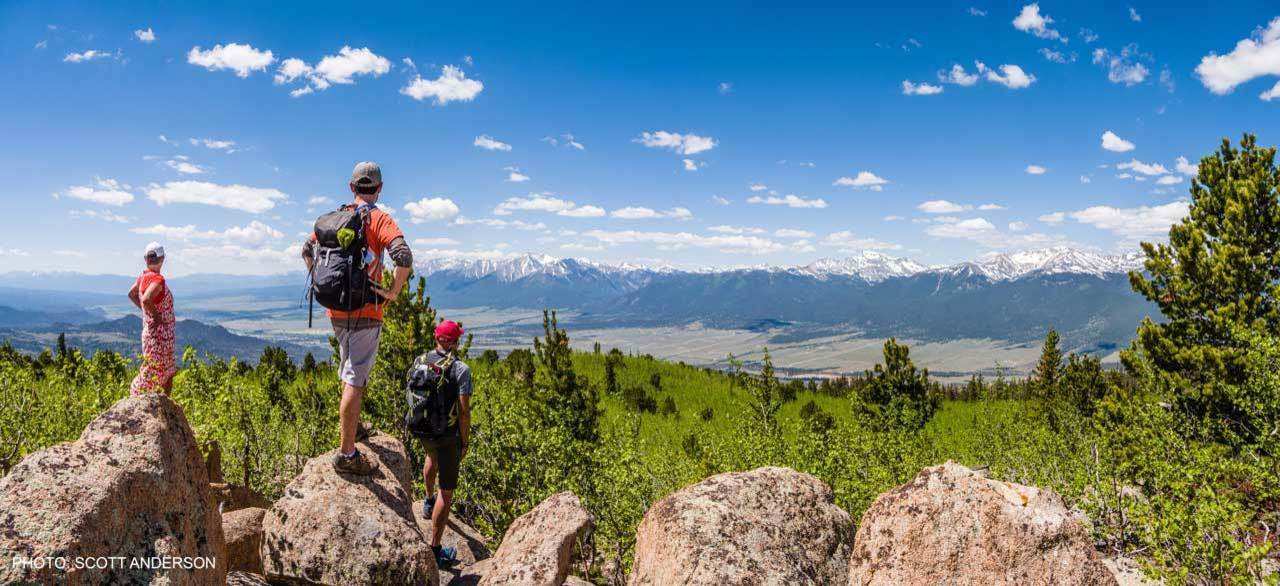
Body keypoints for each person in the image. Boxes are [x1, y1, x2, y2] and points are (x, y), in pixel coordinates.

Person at [301, 161, 414, 474]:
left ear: (351, 188)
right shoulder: (379, 219)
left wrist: (318, 277)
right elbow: (404, 256)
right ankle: (347, 454)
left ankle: (354, 429)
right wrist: (392, 291)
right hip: (365, 309)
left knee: (348, 369)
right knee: (355, 377)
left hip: (335, 308)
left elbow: (306, 248)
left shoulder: (334, 218)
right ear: (378, 189)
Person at [418, 320, 471, 569]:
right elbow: (463, 411)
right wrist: (465, 440)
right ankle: (435, 549)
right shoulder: (460, 369)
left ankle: (427, 501)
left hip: (424, 430)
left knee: (431, 457)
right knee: (447, 492)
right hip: (448, 435)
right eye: (457, 339)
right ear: (453, 342)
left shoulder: (420, 361)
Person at [127, 242, 177, 395]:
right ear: (162, 258)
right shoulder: (158, 280)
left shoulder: (143, 277)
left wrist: (147, 313)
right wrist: (157, 317)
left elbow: (132, 294)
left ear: (145, 259)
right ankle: (161, 406)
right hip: (161, 335)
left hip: (150, 332)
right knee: (164, 372)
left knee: (156, 370)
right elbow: (147, 299)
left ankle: (159, 406)